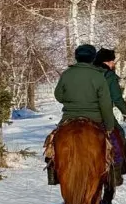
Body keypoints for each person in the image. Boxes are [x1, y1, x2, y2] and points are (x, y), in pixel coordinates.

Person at [45, 44, 116, 185]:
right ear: (92, 58)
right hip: (94, 118)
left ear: (76, 58)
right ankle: (110, 175)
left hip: (69, 118)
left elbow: (58, 96)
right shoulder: (98, 76)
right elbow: (106, 103)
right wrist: (109, 125)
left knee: (52, 144)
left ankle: (52, 172)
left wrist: (72, 100)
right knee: (111, 151)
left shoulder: (67, 74)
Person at [94, 48, 126, 181]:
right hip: (102, 113)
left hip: (77, 113)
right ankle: (121, 167)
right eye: (112, 61)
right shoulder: (109, 75)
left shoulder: (89, 72)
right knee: (119, 136)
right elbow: (117, 98)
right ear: (106, 62)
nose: (114, 64)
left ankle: (52, 166)